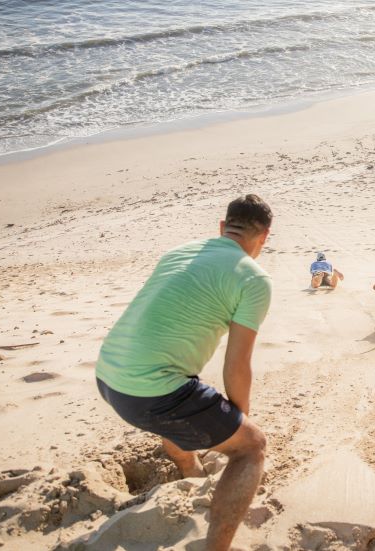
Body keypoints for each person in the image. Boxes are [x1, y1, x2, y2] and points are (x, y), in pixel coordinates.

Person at [95, 194, 274, 551]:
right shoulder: (253, 279)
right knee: (252, 448)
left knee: (185, 392)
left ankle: (189, 469)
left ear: (223, 227)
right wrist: (237, 424)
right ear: (264, 238)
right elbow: (237, 365)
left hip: (108, 376)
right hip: (152, 394)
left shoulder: (179, 251)